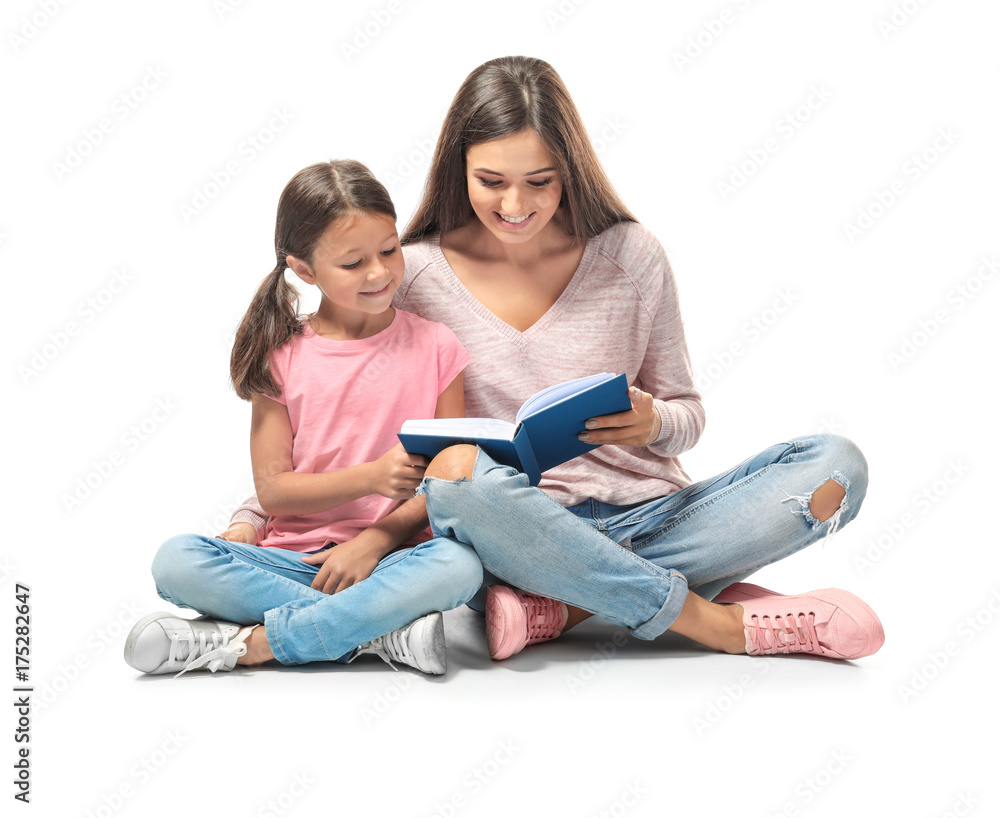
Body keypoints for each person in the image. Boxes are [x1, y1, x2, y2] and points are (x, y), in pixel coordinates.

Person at [227, 56, 884, 665]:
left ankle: (566, 607)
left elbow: (689, 416)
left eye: (538, 182)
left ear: (570, 169)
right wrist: (255, 514)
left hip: (653, 512)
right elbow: (338, 405)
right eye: (491, 182)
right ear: (459, 169)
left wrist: (653, 422)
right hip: (509, 533)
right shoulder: (412, 271)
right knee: (457, 476)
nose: (515, 207)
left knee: (836, 467)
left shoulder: (631, 256)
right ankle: (712, 621)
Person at [124, 160, 482, 678]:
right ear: (305, 270)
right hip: (294, 560)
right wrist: (373, 477)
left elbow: (451, 483)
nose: (380, 272)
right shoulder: (282, 353)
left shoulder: (437, 347)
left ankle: (257, 644)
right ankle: (380, 630)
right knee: (176, 560)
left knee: (461, 567)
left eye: (388, 250)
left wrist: (372, 541)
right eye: (353, 263)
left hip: (394, 558)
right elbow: (274, 493)